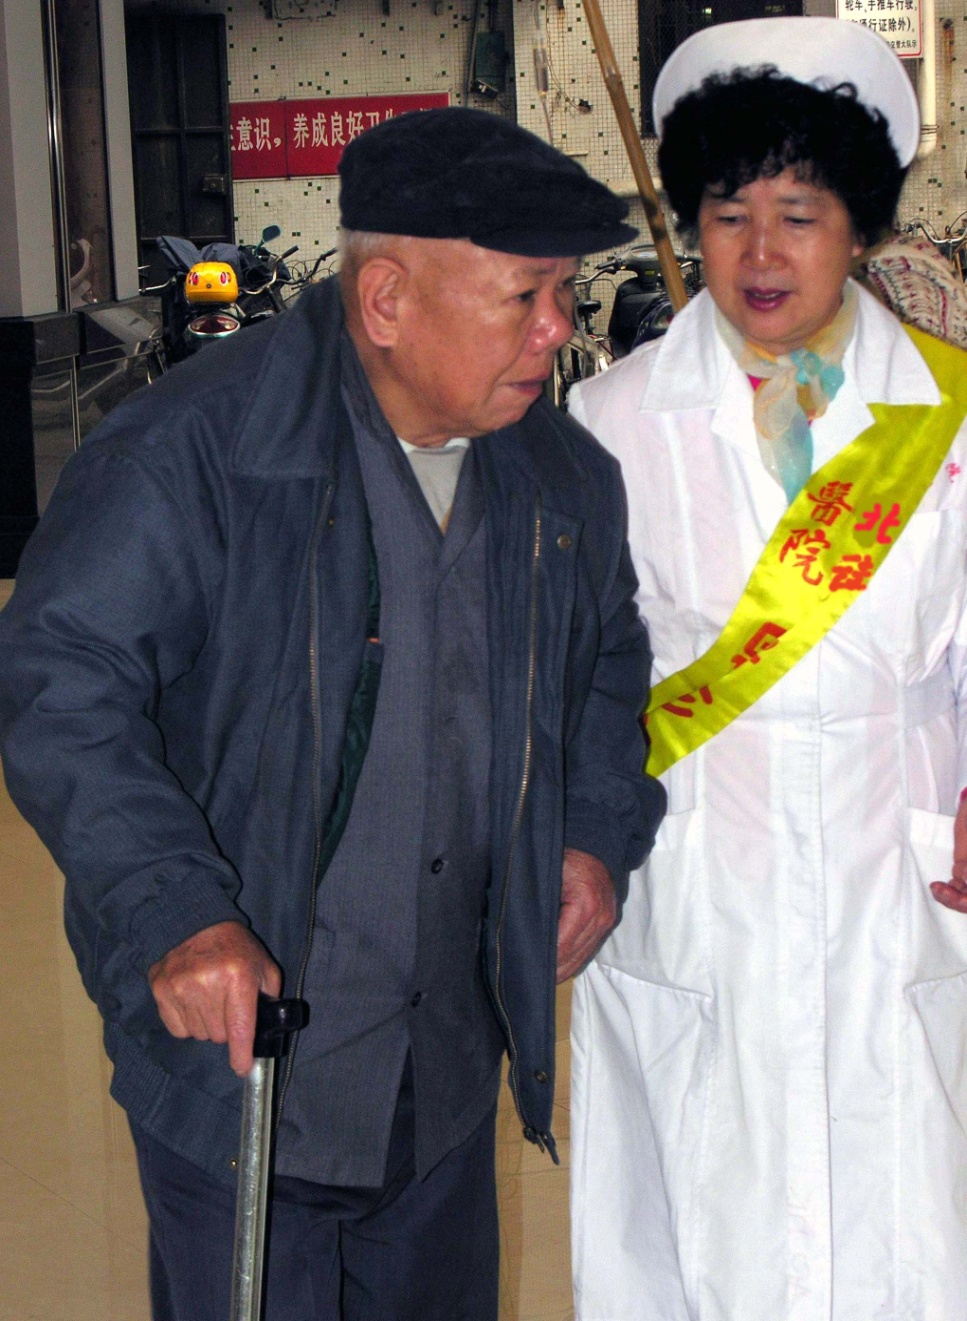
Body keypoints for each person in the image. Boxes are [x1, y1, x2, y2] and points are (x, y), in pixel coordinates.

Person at [0, 108, 665, 1321]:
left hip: (444, 1063)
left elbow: (607, 660)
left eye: (565, 293)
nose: (558, 329)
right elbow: (63, 686)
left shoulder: (557, 476)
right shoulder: (194, 454)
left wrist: (589, 828)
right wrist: (176, 909)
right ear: (387, 300)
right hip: (248, 1070)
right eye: (524, 295)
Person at [567, 18, 967, 1321]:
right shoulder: (606, 424)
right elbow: (568, 679)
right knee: (699, 1221)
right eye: (727, 215)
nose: (757, 253)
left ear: (858, 231)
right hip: (695, 877)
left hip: (893, 870)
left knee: (903, 1214)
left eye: (797, 215)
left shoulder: (947, 419)